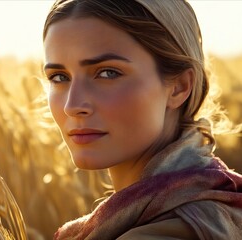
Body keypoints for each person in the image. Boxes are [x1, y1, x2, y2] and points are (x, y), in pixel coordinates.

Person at [42, 0, 242, 239]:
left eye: (108, 73)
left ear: (179, 87)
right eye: (59, 77)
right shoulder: (215, 201)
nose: (72, 106)